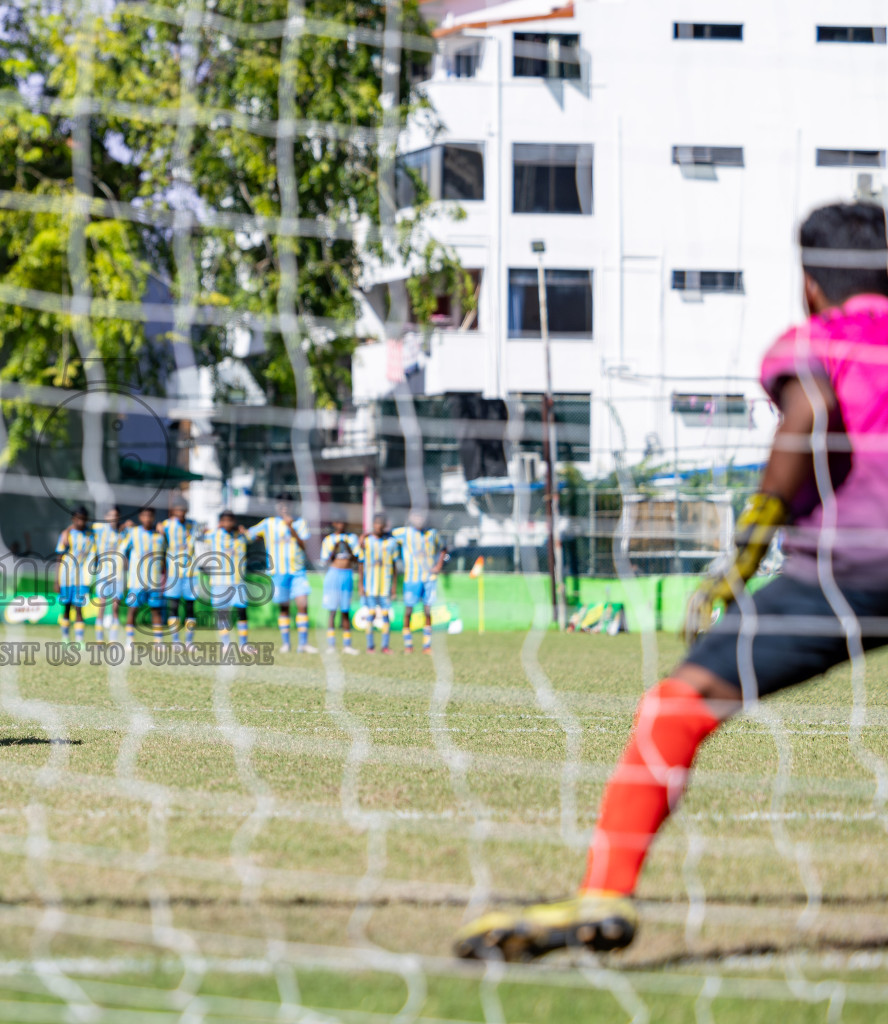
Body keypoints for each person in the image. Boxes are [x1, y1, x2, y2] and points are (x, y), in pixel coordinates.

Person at [453, 201, 888, 961]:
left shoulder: (818, 340)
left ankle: (605, 894)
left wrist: (745, 555)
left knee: (674, 710)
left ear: (811, 285)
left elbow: (811, 411)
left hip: (848, 570)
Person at [246, 495, 312, 653]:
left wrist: (291, 528)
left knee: (302, 604)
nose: (285, 508)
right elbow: (248, 535)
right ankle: (286, 643)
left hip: (297, 572)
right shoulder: (268, 523)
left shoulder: (300, 523)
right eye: (282, 505)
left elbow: (304, 545)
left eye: (288, 504)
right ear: (277, 507)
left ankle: (303, 644)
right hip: (278, 572)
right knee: (284, 608)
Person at [198, 510, 251, 649]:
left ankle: (244, 644)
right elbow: (198, 535)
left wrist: (244, 531)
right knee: (222, 613)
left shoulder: (240, 536)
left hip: (237, 581)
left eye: (230, 520)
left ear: (234, 521)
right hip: (219, 581)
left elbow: (255, 537)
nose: (227, 523)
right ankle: (225, 643)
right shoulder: (213, 535)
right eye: (224, 521)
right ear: (220, 522)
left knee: (241, 611)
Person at [390, 512, 441, 654]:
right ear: (411, 519)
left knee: (427, 611)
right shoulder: (404, 533)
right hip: (411, 579)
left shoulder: (432, 534)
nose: (419, 520)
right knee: (408, 611)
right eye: (416, 517)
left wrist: (438, 566)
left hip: (429, 579)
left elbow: (443, 548)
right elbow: (386, 533)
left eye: (422, 517)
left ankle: (427, 646)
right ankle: (408, 645)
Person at [120, 507, 166, 645]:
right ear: (140, 517)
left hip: (154, 581)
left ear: (154, 517)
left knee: (156, 611)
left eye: (150, 516)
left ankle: (158, 642)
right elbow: (122, 551)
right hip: (136, 581)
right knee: (133, 610)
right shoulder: (133, 533)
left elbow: (163, 557)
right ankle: (129, 641)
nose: (147, 518)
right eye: (144, 516)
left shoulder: (160, 536)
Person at [159, 497, 198, 647]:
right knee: (173, 607)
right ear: (173, 511)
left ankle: (189, 641)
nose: (181, 512)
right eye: (178, 509)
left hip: (190, 574)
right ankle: (175, 641)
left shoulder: (193, 525)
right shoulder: (167, 525)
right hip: (174, 573)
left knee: (190, 607)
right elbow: (159, 533)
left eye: (183, 509)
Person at [358, 515, 398, 654]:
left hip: (385, 586)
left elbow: (394, 565)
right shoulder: (367, 542)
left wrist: (394, 587)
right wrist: (360, 585)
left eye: (381, 524)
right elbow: (361, 564)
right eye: (376, 523)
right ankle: (370, 646)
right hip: (370, 586)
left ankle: (385, 646)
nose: (378, 526)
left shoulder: (391, 542)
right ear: (373, 524)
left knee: (386, 616)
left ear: (384, 525)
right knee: (370, 615)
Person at [320, 519, 361, 654]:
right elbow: (326, 560)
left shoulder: (351, 538)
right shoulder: (328, 540)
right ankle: (331, 645)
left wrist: (348, 548)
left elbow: (357, 559)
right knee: (332, 610)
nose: (341, 525)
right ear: (334, 524)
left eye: (343, 522)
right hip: (334, 575)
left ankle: (347, 645)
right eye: (337, 522)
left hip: (347, 575)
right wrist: (335, 548)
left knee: (345, 610)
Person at [54, 507, 93, 645]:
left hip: (81, 578)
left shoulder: (90, 535)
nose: (80, 521)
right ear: (73, 519)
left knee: (79, 608)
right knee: (66, 607)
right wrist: (56, 580)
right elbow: (59, 557)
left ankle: (79, 640)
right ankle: (65, 638)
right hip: (66, 577)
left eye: (83, 518)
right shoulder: (67, 535)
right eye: (77, 518)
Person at [90, 507, 126, 642]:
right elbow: (80, 525)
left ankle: (113, 640)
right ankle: (99, 640)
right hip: (103, 573)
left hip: (118, 574)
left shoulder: (123, 532)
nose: (113, 518)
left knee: (115, 607)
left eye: (116, 515)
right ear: (106, 517)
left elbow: (133, 527)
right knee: (102, 605)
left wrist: (128, 524)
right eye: (110, 515)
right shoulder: (98, 528)